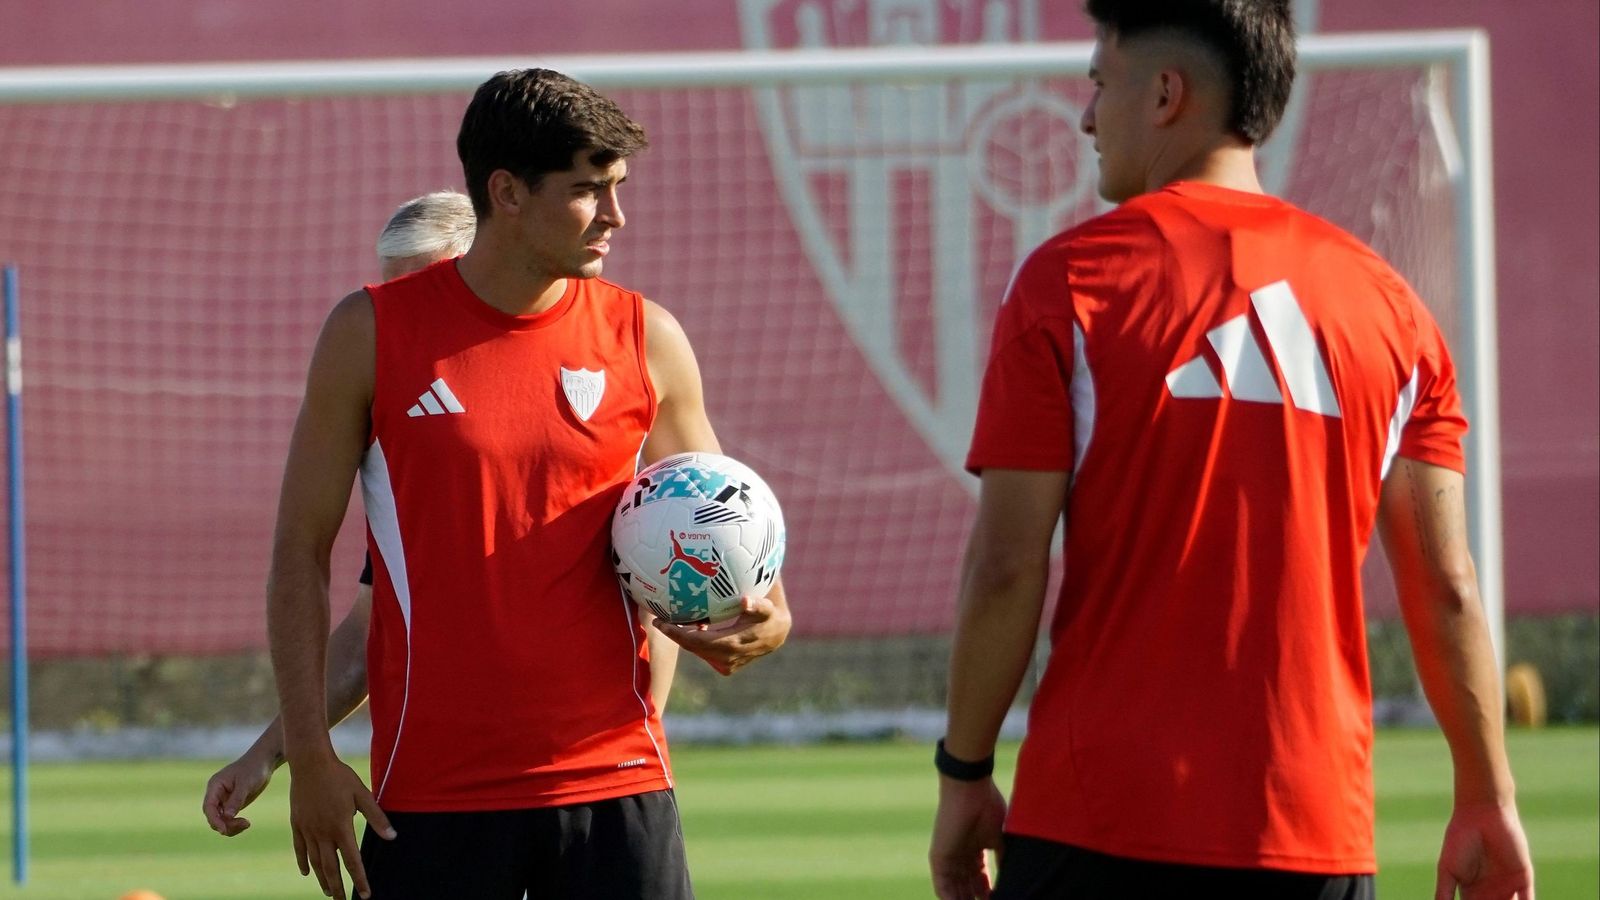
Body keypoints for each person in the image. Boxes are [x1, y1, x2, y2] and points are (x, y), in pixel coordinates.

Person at [929, 2, 1534, 899]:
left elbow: (1009, 567)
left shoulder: (1068, 284)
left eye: (1100, 84)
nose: (1086, 116)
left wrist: (964, 772)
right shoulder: (1395, 312)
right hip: (1314, 834)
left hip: (1097, 823)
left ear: (1167, 94)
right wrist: (1487, 797)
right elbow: (1445, 584)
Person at [267, 69, 791, 900]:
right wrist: (307, 757)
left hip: (618, 788)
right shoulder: (369, 332)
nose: (615, 216)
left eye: (617, 188)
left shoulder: (646, 337)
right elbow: (298, 552)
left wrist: (768, 615)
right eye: (588, 191)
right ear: (505, 192)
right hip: (431, 802)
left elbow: (728, 524)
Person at [201, 190, 476, 839]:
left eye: (427, 287)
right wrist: (271, 752)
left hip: (582, 791)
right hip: (439, 790)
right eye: (392, 291)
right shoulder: (404, 437)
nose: (403, 315)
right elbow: (366, 632)